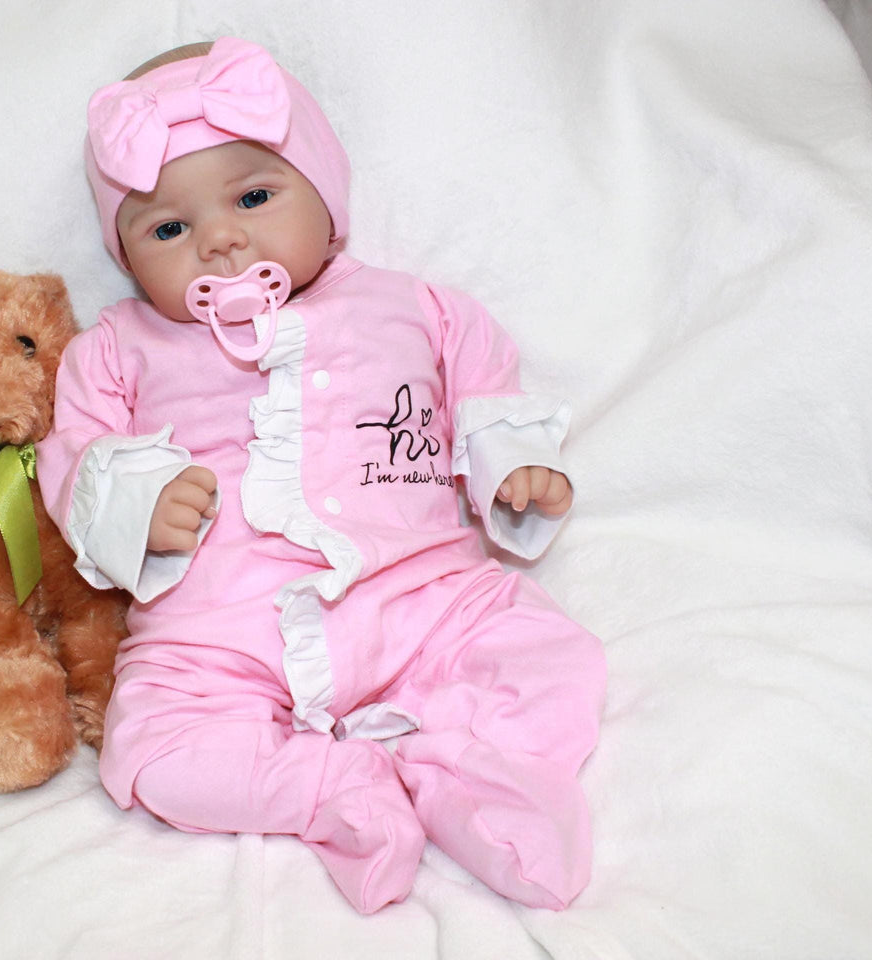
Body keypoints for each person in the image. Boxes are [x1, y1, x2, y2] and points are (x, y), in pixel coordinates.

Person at [37, 36, 606, 914]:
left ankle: (469, 780)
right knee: (149, 751)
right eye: (168, 228)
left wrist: (515, 466)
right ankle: (330, 792)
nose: (220, 240)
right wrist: (137, 502)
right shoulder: (115, 347)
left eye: (254, 197)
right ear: (127, 258)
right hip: (218, 635)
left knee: (549, 658)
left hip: (421, 598)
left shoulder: (412, 306)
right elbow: (72, 456)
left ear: (327, 201)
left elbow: (486, 384)